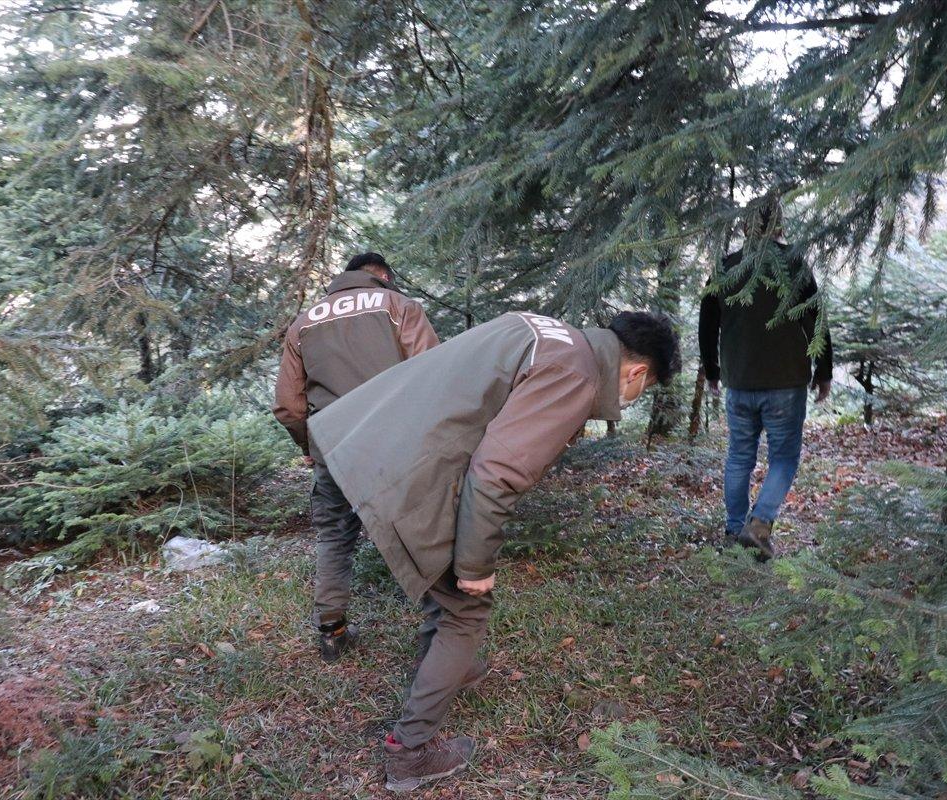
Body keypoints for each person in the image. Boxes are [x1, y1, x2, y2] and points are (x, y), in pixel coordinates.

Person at [308, 310, 680, 792]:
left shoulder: (542, 329)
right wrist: (474, 566)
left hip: (355, 434)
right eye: (641, 391)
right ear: (637, 373)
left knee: (444, 585)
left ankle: (445, 667)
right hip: (400, 464)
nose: (632, 398)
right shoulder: (576, 372)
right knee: (467, 606)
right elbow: (495, 473)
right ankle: (411, 751)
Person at [273, 252, 439, 662]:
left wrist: (310, 446)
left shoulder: (303, 323)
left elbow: (289, 407)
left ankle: (331, 629)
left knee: (334, 536)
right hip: (395, 444)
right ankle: (440, 637)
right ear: (381, 276)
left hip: (334, 444)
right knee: (423, 531)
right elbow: (433, 376)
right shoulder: (400, 307)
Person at [698, 196, 832, 560]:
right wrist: (824, 372)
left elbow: (707, 325)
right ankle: (759, 525)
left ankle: (734, 529)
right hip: (786, 381)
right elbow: (816, 319)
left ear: (745, 226)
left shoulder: (725, 268)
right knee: (784, 458)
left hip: (739, 380)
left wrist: (712, 371)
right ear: (779, 225)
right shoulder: (793, 265)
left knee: (739, 456)